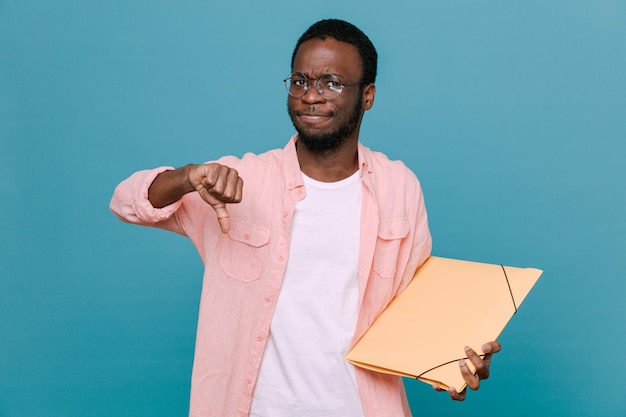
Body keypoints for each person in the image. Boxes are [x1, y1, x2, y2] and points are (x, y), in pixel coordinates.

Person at [110, 18, 501, 417]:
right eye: (300, 81)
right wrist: (188, 177)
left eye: (331, 82)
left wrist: (454, 362)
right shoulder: (233, 181)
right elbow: (126, 201)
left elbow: (415, 314)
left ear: (367, 96)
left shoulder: (399, 187)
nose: (311, 96)